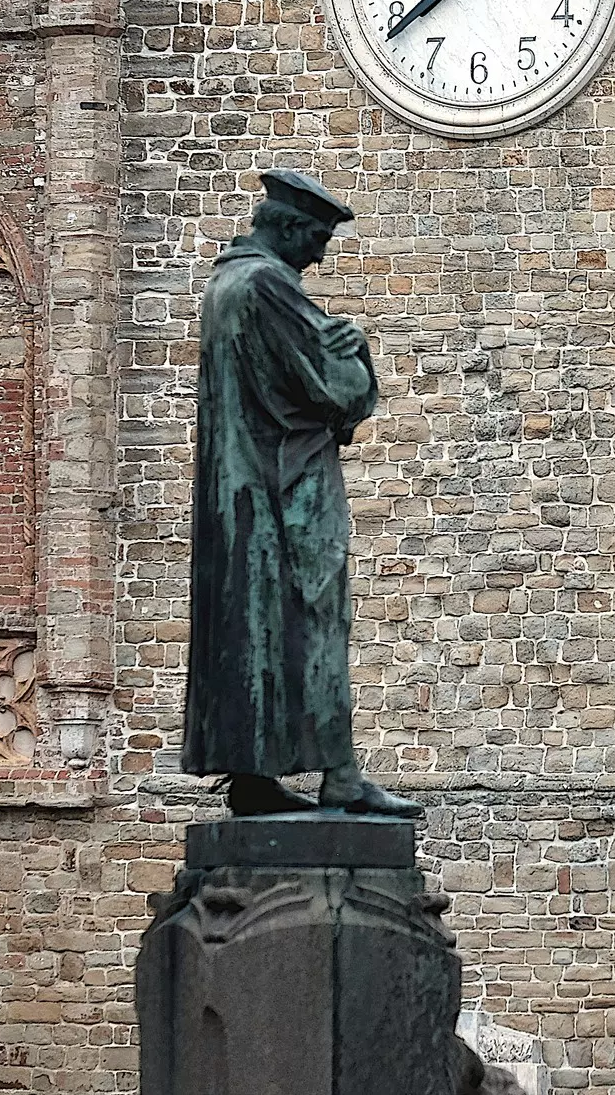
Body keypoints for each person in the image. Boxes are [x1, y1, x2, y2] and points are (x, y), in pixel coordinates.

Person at [182, 168, 418, 818]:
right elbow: (339, 388)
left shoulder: (226, 284)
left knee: (253, 629)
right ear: (288, 228)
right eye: (316, 239)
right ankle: (340, 776)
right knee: (314, 620)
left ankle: (253, 776)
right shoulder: (268, 286)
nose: (318, 256)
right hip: (287, 490)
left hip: (245, 494)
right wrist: (357, 350)